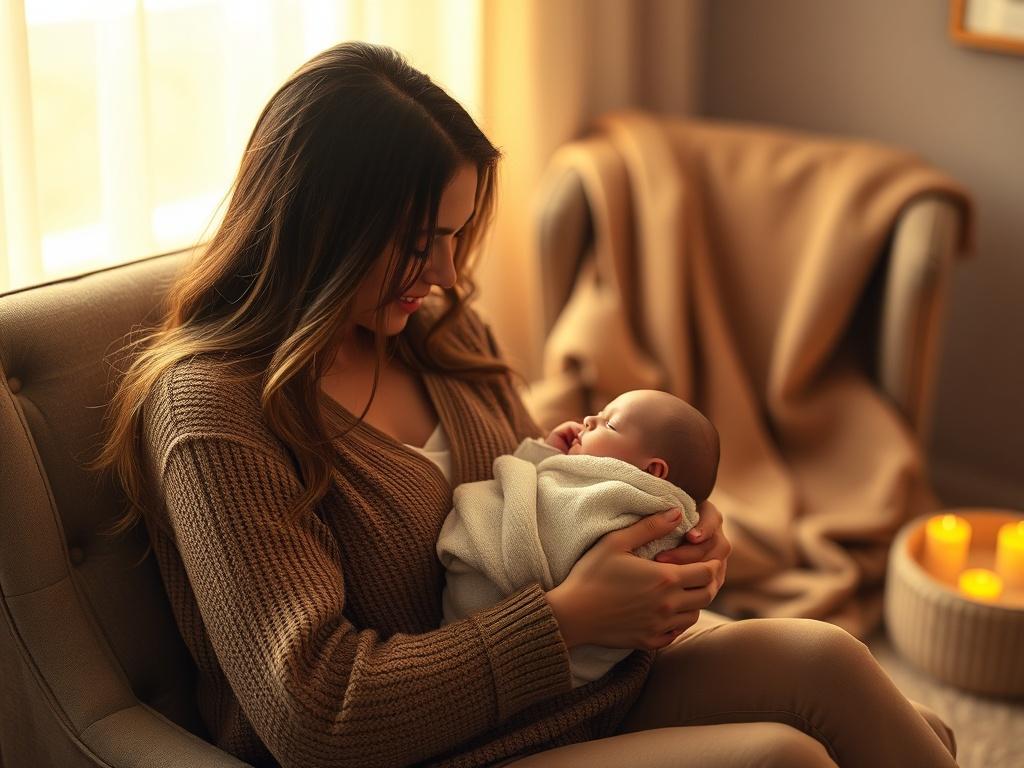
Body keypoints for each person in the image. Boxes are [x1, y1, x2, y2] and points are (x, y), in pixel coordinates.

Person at [92, 42, 959, 768]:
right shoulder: (217, 411)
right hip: (436, 750)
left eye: (455, 236)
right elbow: (317, 712)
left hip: (575, 694)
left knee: (832, 661)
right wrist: (573, 617)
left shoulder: (434, 332)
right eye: (418, 241)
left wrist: (674, 537)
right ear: (324, 223)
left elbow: (556, 488)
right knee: (787, 759)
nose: (441, 272)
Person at [437, 390, 718, 688]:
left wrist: (701, 529)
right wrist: (547, 457)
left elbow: (544, 516)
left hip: (555, 649)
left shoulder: (626, 501)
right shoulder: (598, 488)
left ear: (651, 471)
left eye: (610, 425)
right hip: (496, 648)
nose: (588, 419)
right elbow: (546, 502)